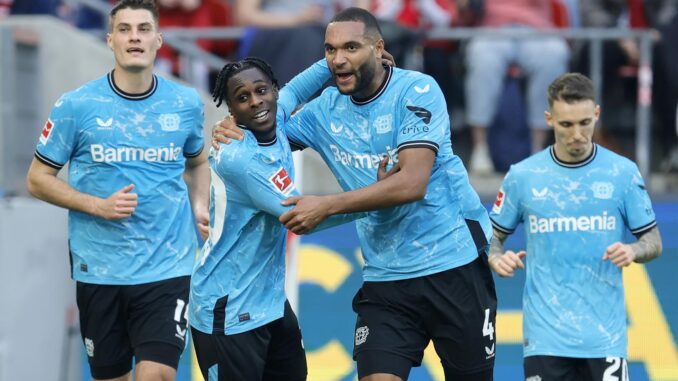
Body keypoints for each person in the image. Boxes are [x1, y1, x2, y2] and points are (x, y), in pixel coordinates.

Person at [215, 7, 496, 381]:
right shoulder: (323, 111)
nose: (338, 59)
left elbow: (412, 183)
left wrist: (327, 205)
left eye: (351, 47)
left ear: (379, 48)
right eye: (330, 50)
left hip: (453, 265)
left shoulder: (417, 89)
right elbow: (269, 123)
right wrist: (233, 125)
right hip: (385, 278)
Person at [25, 1, 209, 380]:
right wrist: (98, 205)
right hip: (100, 271)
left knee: (156, 374)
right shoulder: (77, 106)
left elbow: (198, 161)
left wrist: (200, 203)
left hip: (167, 268)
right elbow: (37, 179)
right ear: (110, 40)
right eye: (124, 29)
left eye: (143, 29)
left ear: (159, 39)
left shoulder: (186, 103)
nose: (134, 37)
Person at [190, 57, 396, 380]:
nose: (256, 101)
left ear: (273, 90)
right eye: (242, 98)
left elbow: (298, 88)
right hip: (227, 309)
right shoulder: (242, 160)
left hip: (270, 303)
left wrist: (342, 60)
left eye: (261, 90)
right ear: (231, 111)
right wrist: (378, 198)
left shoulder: (275, 117)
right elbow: (303, 217)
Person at [488, 73, 663, 380]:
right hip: (545, 339)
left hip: (605, 338)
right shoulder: (524, 176)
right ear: (549, 119)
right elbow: (491, 238)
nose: (577, 134)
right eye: (566, 125)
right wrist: (495, 257)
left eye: (585, 122)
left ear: (596, 114)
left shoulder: (621, 173)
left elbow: (653, 241)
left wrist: (634, 249)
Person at [463, 0, 570, 174]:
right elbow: (464, 10)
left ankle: (538, 149)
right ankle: (480, 148)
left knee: (554, 54)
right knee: (482, 58)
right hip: (492, 28)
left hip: (536, 28)